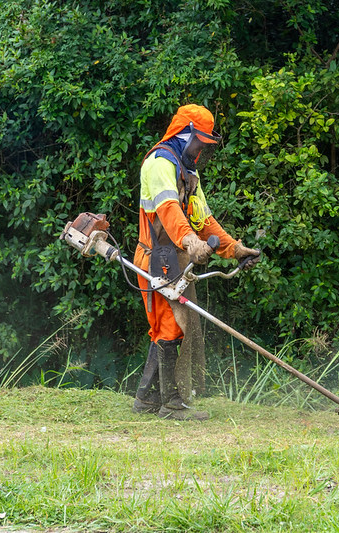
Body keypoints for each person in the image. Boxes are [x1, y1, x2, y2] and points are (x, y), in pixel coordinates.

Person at [132, 104, 260, 421]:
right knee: (169, 328)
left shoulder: (189, 173)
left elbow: (204, 221)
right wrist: (190, 242)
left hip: (173, 257)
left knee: (169, 328)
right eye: (199, 141)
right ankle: (169, 403)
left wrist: (235, 249)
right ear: (185, 133)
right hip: (156, 258)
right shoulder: (160, 162)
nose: (202, 148)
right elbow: (168, 210)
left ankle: (146, 399)